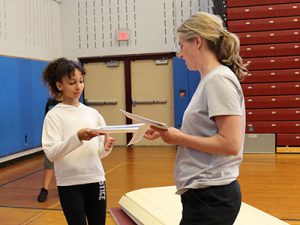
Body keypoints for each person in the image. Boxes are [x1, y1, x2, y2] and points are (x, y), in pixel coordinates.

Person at [144, 12, 247, 225]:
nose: (180, 53)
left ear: (197, 42)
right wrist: (170, 133)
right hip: (204, 193)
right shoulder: (210, 79)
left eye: (182, 45)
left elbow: (230, 143)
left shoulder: (218, 80)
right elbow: (208, 132)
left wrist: (179, 138)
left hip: (212, 195)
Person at [41, 57, 115, 225]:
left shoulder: (93, 113)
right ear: (60, 85)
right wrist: (77, 137)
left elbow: (98, 153)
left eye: (81, 81)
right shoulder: (54, 116)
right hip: (69, 183)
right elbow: (52, 154)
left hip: (96, 179)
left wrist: (106, 148)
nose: (78, 86)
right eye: (72, 82)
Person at [37, 92, 62, 202]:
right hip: (52, 139)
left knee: (65, 164)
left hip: (65, 138)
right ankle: (44, 189)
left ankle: (63, 187)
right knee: (49, 164)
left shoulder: (68, 104)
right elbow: (46, 121)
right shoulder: (50, 103)